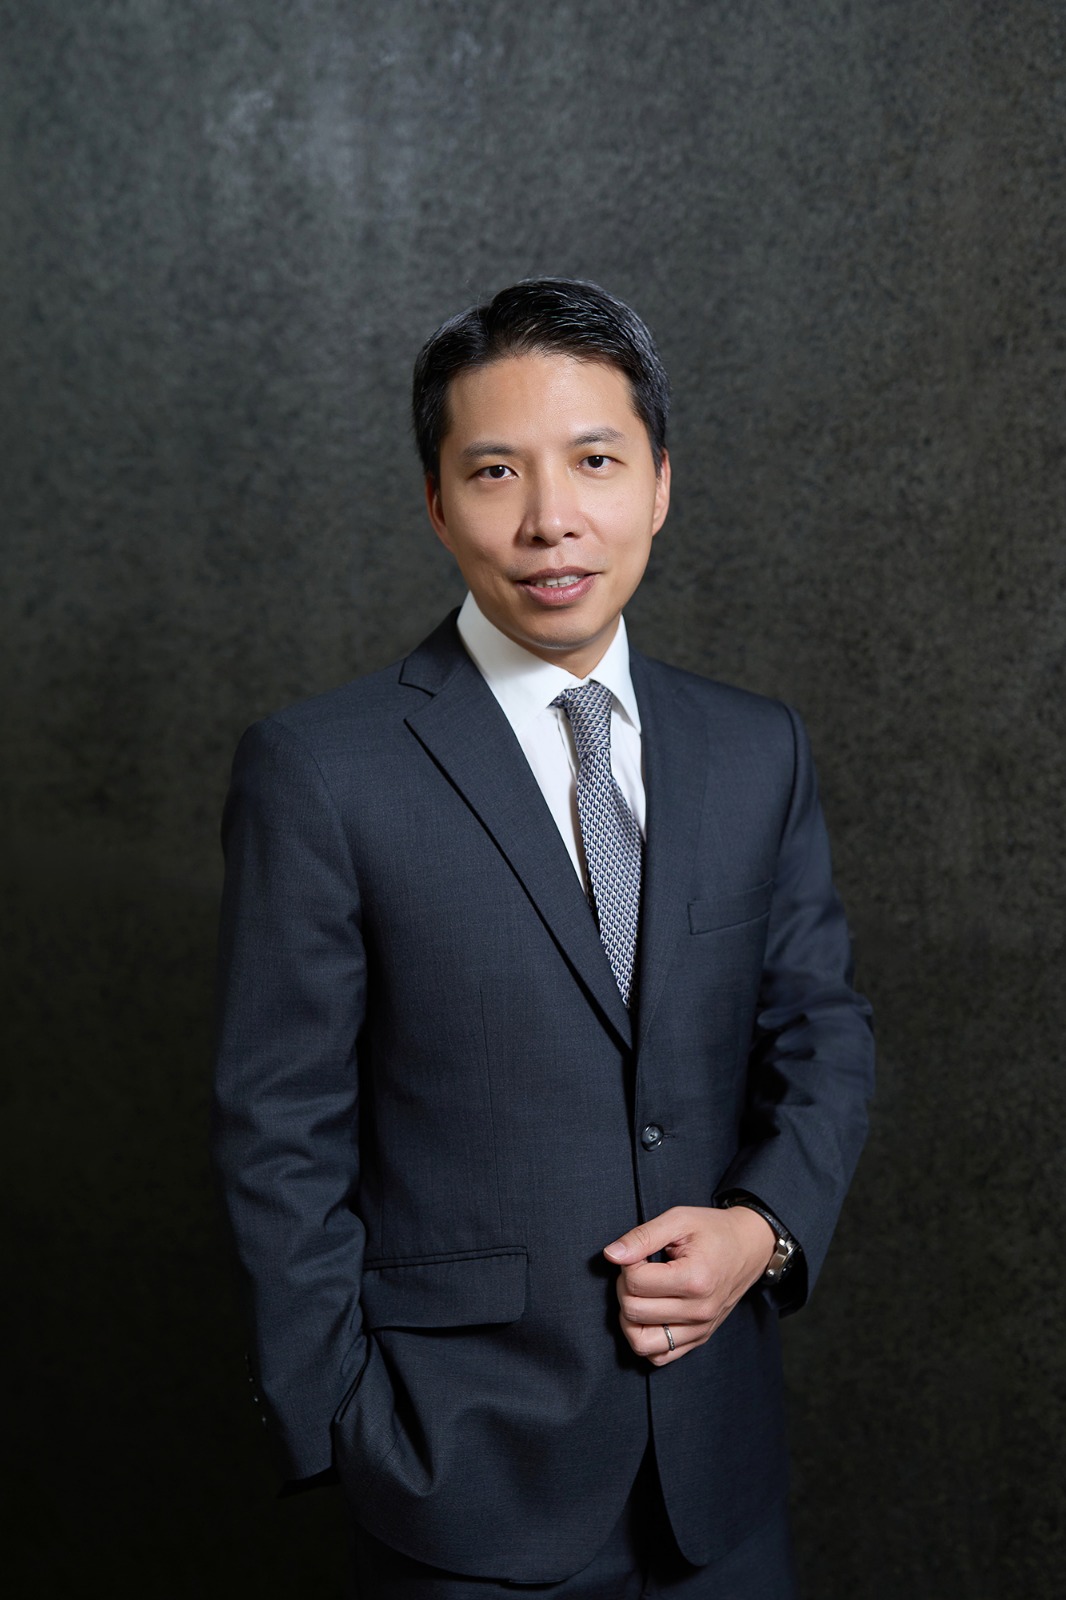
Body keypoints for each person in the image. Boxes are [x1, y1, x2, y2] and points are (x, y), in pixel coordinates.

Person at [212, 278, 874, 1597]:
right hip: (458, 1478)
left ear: (660, 484)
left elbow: (822, 1029)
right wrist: (345, 1421)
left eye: (595, 461)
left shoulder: (756, 748)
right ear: (435, 500)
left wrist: (764, 1229)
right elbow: (277, 1120)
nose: (549, 518)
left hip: (718, 1479)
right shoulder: (322, 770)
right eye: (495, 471)